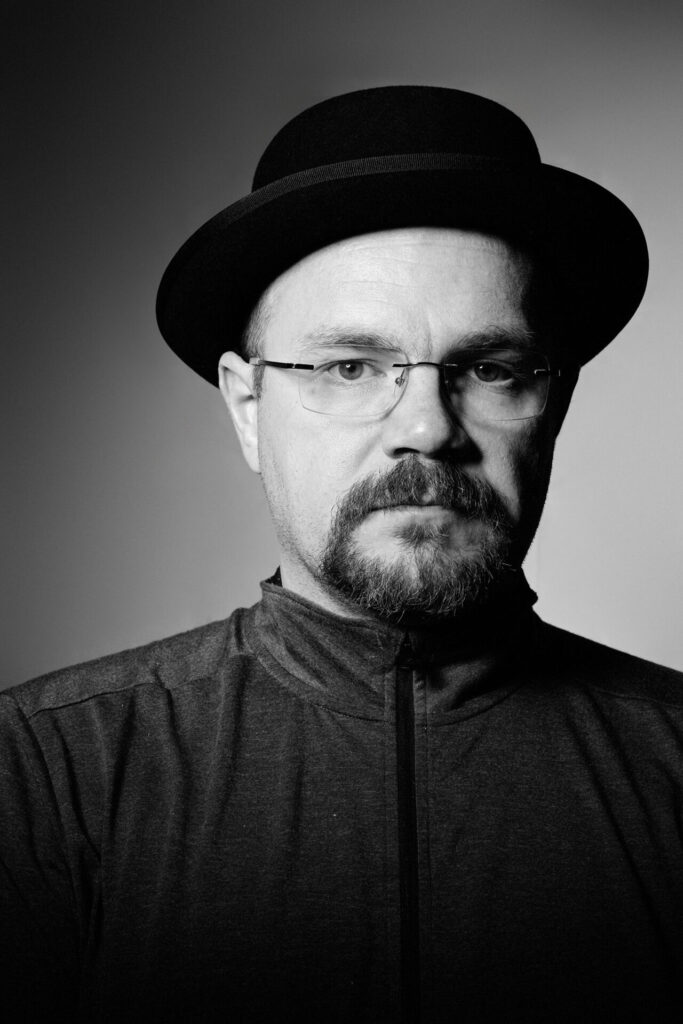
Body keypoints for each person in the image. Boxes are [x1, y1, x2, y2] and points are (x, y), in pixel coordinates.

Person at [1, 86, 682, 1023]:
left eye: (489, 369)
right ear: (248, 407)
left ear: (552, 403)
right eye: (348, 367)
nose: (424, 429)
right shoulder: (41, 771)